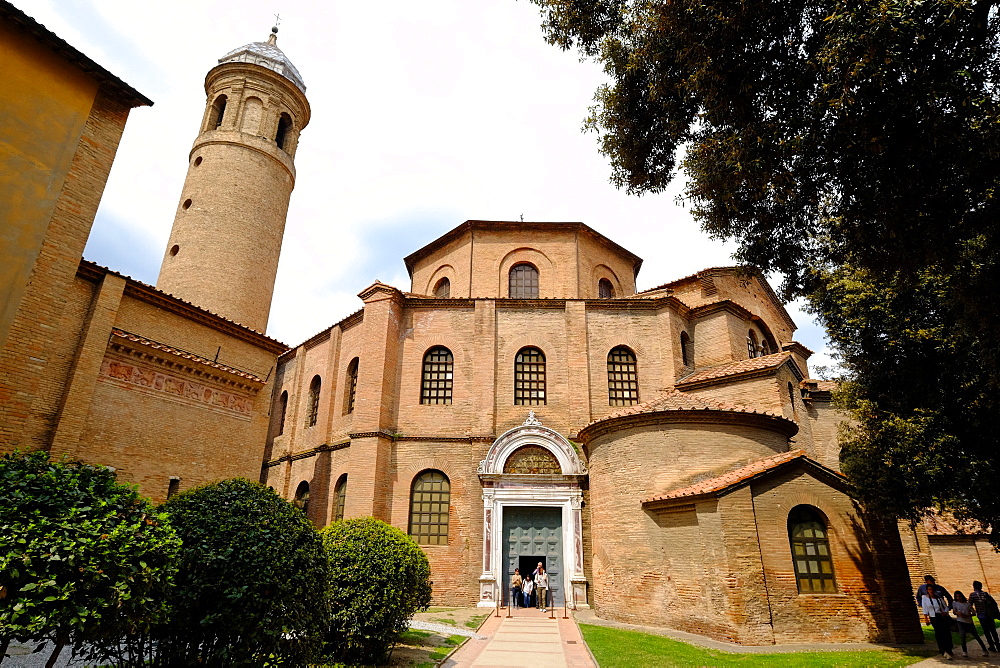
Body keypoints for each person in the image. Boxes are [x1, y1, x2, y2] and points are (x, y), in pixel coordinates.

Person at [921, 585, 955, 659]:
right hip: (934, 617)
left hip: (942, 616)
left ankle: (948, 648)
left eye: (932, 589)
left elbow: (945, 607)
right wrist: (926, 618)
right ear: (927, 590)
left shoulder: (939, 598)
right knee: (939, 633)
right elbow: (925, 609)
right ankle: (942, 649)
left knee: (946, 633)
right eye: (929, 589)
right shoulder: (925, 598)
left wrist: (945, 612)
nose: (931, 591)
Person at [953, 590, 989, 657]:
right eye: (957, 596)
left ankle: (984, 650)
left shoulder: (967, 604)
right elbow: (954, 611)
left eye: (959, 596)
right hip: (960, 621)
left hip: (969, 621)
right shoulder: (955, 603)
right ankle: (964, 651)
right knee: (962, 636)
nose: (958, 598)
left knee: (976, 636)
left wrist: (968, 615)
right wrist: (958, 613)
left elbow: (974, 613)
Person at [969, 581, 1000, 652]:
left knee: (986, 632)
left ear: (974, 586)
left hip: (981, 615)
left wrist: (972, 612)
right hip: (989, 615)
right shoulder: (985, 594)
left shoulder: (973, 595)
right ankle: (998, 645)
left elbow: (969, 605)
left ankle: (991, 646)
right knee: (993, 630)